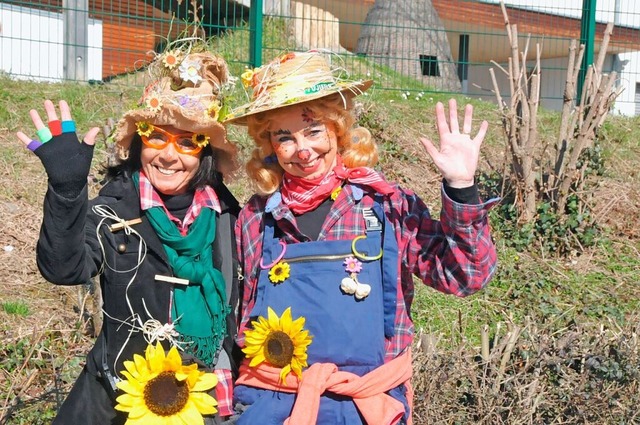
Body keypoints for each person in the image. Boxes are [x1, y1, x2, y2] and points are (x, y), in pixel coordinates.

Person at [225, 51, 498, 424]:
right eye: (284, 137)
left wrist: (461, 186)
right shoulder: (255, 217)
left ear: (338, 130)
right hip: (271, 403)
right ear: (270, 145)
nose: (303, 149)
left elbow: (465, 276)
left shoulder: (386, 205)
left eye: (314, 130)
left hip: (363, 405)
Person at [16, 39, 242, 425]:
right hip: (119, 401)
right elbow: (64, 268)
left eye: (188, 141)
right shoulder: (112, 211)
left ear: (205, 154)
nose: (169, 155)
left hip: (206, 402)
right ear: (139, 141)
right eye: (157, 136)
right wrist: (67, 191)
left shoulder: (230, 218)